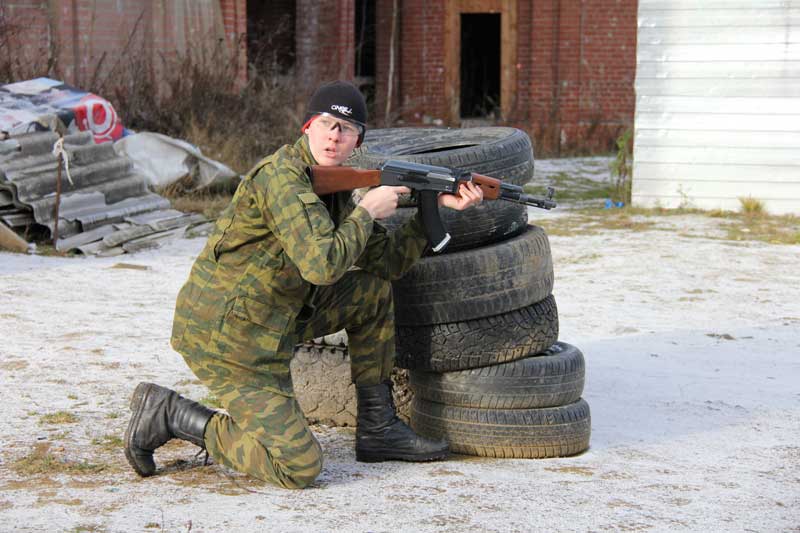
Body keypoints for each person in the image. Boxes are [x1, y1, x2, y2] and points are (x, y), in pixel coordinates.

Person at [123, 80, 483, 489]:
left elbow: (386, 263)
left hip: (276, 321)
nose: (334, 135)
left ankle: (378, 427)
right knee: (298, 467)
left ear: (358, 141)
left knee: (371, 292)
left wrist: (431, 210)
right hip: (229, 337)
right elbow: (322, 266)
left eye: (345, 129)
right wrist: (367, 211)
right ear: (307, 127)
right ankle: (170, 413)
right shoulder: (282, 179)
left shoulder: (334, 187)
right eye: (326, 123)